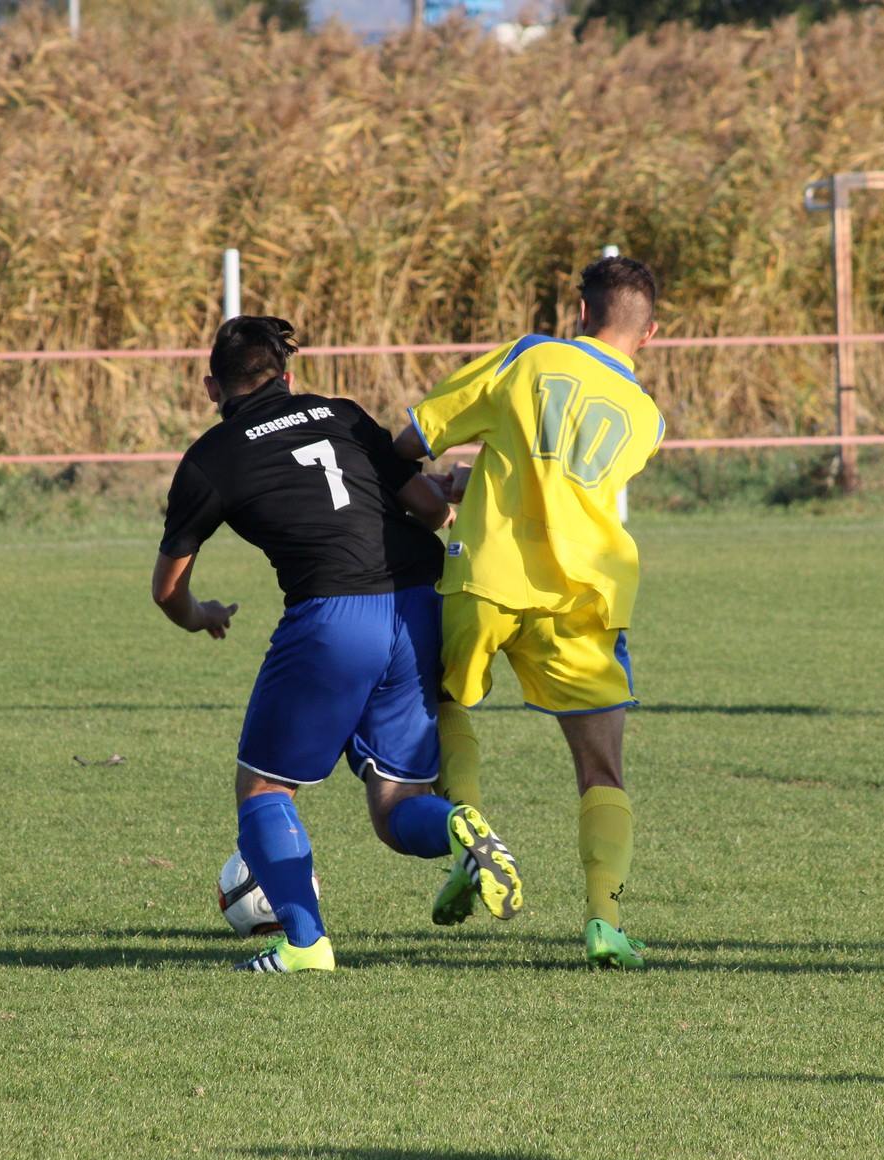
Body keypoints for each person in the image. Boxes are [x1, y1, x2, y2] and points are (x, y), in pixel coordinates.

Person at [153, 316, 524, 975]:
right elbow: (430, 510)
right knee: (396, 806)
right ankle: (457, 828)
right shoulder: (343, 413)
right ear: (288, 377)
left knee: (264, 789)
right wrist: (451, 490)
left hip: (334, 615)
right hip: (420, 605)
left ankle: (305, 945)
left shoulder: (212, 457)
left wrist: (198, 615)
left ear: (212, 387)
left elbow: (167, 589)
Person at [393, 256, 665, 967]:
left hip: (489, 574)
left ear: (580, 313)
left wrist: (447, 483)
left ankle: (470, 833)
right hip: (584, 595)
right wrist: (481, 475)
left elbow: (416, 436)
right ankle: (604, 920)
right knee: (602, 769)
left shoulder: (530, 357)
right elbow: (564, 476)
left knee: (446, 701)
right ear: (650, 333)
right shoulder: (647, 417)